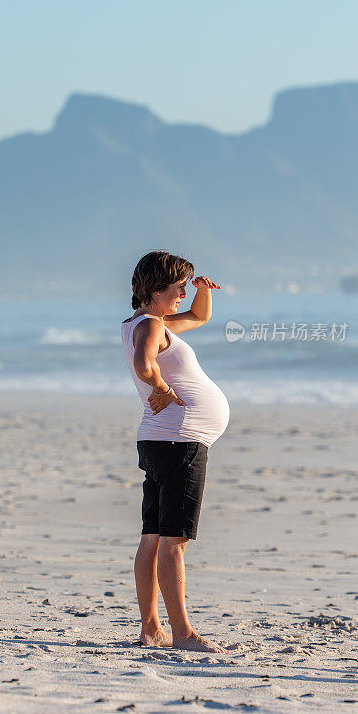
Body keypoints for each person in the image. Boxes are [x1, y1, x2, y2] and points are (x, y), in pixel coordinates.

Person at [121, 250, 230, 652]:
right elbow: (143, 363)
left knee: (153, 536)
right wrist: (163, 389)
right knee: (173, 541)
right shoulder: (150, 326)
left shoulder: (145, 321)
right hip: (177, 443)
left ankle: (151, 628)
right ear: (155, 288)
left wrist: (204, 291)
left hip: (161, 441)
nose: (184, 293)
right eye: (179, 287)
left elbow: (199, 318)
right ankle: (182, 633)